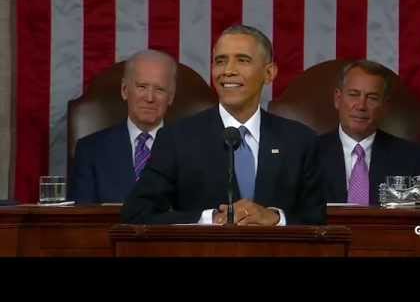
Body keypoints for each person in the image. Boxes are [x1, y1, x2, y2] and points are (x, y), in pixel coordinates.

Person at [121, 25, 326, 225]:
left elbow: (317, 220)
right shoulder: (177, 138)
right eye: (220, 61)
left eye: (242, 60)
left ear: (269, 73)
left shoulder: (300, 141)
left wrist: (275, 218)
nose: (227, 71)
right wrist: (210, 219)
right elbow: (137, 213)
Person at [68, 49, 177, 203]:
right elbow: (81, 221)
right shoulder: (90, 151)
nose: (150, 98)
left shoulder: (192, 150)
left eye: (159, 89)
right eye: (142, 87)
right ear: (125, 90)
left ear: (170, 97)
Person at [317, 59, 420, 205]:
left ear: (385, 106)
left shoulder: (413, 158)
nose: (361, 106)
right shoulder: (308, 153)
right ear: (338, 99)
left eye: (372, 98)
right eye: (354, 94)